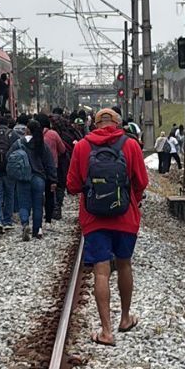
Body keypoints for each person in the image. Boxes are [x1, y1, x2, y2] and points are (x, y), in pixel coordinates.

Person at [66, 107, 150, 346]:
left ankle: (106, 331)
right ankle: (125, 318)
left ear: (95, 124)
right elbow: (142, 182)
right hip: (126, 218)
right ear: (117, 124)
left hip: (94, 220)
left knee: (101, 271)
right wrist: (128, 199)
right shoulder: (131, 145)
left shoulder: (82, 146)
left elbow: (72, 185)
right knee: (124, 265)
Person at [24, 115, 56, 239]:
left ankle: (25, 224)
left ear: (27, 130)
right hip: (39, 178)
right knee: (38, 205)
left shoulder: (20, 143)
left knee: (24, 203)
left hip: (24, 178)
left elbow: (10, 157)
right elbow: (50, 164)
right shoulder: (42, 145)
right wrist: (53, 179)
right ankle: (37, 230)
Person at [43, 115, 72, 224]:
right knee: (58, 186)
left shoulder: (40, 134)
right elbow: (63, 150)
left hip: (43, 166)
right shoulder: (64, 135)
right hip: (59, 164)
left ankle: (49, 210)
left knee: (47, 189)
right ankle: (57, 208)